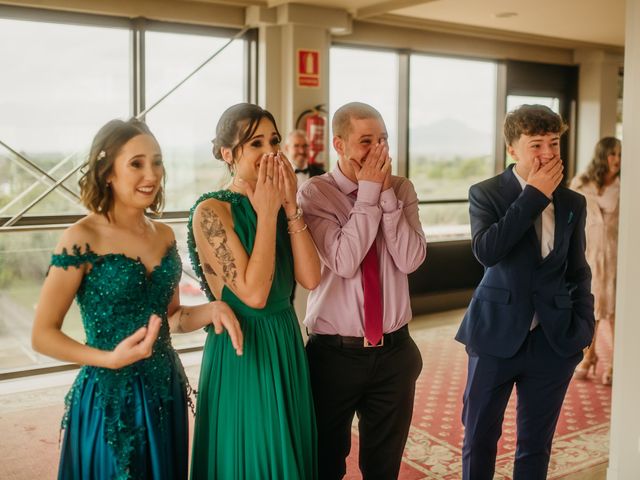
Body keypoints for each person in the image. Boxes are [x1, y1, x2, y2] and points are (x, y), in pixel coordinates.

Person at [31, 118, 243, 480]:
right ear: (106, 171)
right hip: (108, 399)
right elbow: (42, 334)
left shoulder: (162, 235)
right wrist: (108, 359)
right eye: (136, 163)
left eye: (157, 161)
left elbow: (172, 317)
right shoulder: (81, 237)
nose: (151, 174)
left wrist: (212, 309)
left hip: (164, 392)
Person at [456, 104, 595, 479]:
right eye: (536, 145)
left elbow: (578, 270)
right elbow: (488, 251)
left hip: (554, 341)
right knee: (479, 437)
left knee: (536, 444)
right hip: (494, 335)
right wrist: (533, 195)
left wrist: (584, 327)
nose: (548, 154)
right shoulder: (484, 193)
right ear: (512, 149)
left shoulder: (572, 202)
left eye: (554, 143)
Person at [187, 103, 321, 479]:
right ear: (229, 155)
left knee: (289, 450)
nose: (270, 152)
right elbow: (254, 294)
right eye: (256, 143)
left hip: (284, 337)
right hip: (243, 347)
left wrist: (290, 207)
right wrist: (265, 214)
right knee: (253, 456)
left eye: (274, 141)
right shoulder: (211, 212)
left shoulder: (279, 203)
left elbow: (311, 279)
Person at [298, 101, 426, 480]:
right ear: (339, 144)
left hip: (395, 353)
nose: (377, 151)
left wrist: (387, 198)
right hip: (335, 356)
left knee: (383, 466)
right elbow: (343, 260)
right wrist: (368, 194)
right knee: (325, 459)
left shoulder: (402, 189)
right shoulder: (315, 193)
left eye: (383, 140)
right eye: (365, 141)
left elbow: (411, 260)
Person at [570, 136, 621, 385]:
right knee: (591, 307)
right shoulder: (581, 183)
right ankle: (590, 356)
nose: (617, 160)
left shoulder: (625, 186)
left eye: (620, 154)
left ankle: (616, 361)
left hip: (615, 254)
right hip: (588, 253)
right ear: (602, 156)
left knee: (615, 311)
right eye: (612, 154)